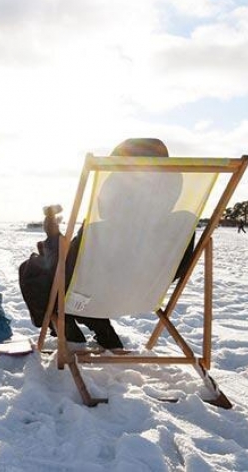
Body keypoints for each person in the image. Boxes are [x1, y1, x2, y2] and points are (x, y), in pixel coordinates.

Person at [19, 138, 194, 350]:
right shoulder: (182, 225)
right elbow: (178, 269)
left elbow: (66, 269)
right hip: (147, 293)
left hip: (97, 290)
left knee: (32, 270)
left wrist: (52, 237)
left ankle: (68, 328)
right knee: (66, 272)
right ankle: (101, 329)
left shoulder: (101, 233)